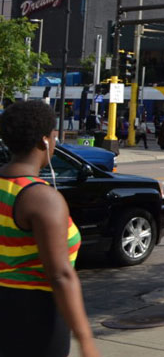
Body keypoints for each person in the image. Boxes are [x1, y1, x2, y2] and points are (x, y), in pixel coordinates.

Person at [0, 100, 100, 357]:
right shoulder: (41, 199)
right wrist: (85, 340)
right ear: (44, 141)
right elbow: (60, 275)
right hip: (34, 317)